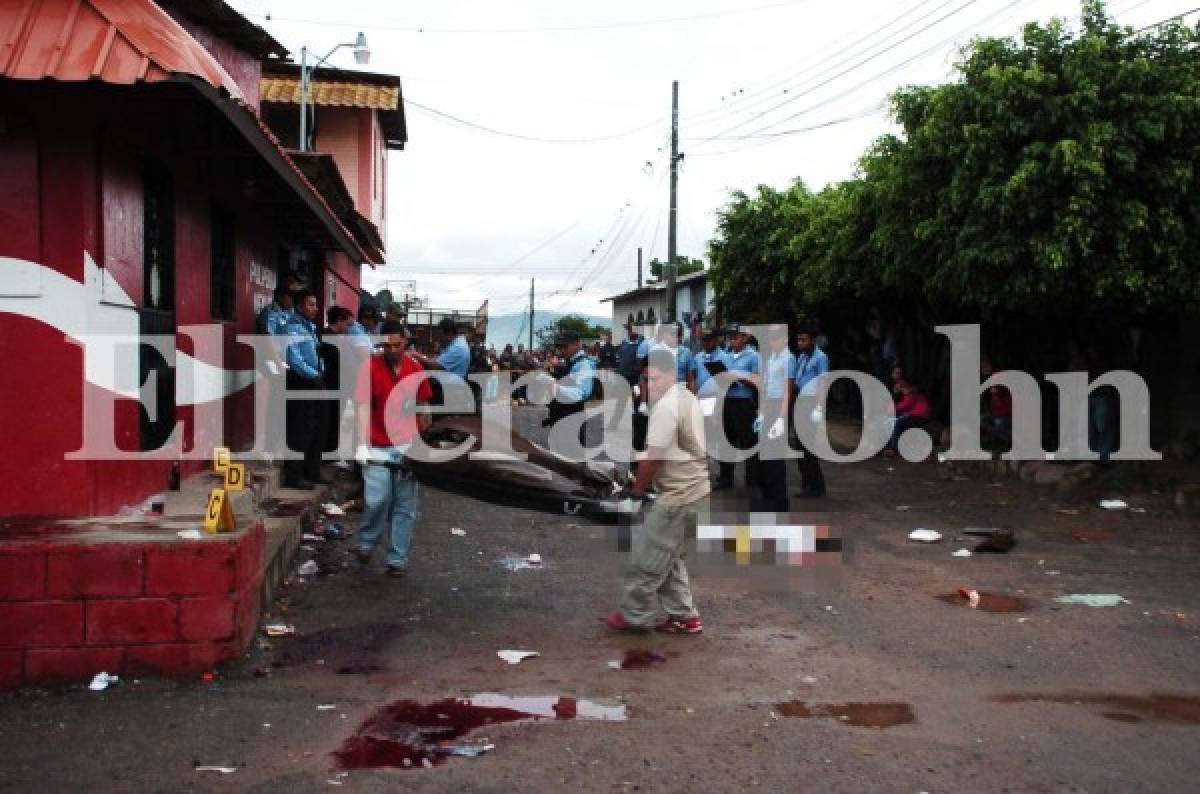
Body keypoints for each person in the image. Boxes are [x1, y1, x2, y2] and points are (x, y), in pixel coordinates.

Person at [606, 349, 709, 634]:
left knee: (646, 558)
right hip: (694, 490)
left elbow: (655, 457)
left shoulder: (666, 407)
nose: (649, 384)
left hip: (679, 495)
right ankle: (684, 616)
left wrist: (636, 493)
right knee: (668, 557)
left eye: (653, 378)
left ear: (667, 375)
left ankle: (633, 614)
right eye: (646, 378)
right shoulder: (686, 397)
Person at [353, 321, 433, 576]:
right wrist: (360, 444)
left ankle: (397, 559)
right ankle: (367, 542)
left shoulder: (415, 369)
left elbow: (423, 407)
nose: (391, 350)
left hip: (408, 443)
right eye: (387, 345)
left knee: (405, 506)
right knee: (377, 500)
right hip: (377, 443)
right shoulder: (370, 367)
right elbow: (362, 407)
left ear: (406, 344)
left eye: (396, 345)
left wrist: (424, 444)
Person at [282, 289, 327, 489]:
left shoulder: (309, 327)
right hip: (300, 380)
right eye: (311, 304)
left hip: (315, 379)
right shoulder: (291, 327)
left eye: (316, 305)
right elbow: (294, 358)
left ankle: (312, 471)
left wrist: (320, 372)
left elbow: (316, 354)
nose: (315, 309)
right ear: (299, 305)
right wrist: (313, 374)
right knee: (300, 429)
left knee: (316, 427)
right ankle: (294, 475)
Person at [715, 325, 760, 490]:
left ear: (745, 338)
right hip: (728, 401)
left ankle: (753, 479)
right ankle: (726, 478)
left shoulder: (753, 356)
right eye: (730, 337)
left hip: (744, 403)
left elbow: (758, 380)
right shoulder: (726, 356)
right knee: (727, 439)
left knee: (749, 440)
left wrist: (740, 378)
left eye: (736, 337)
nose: (732, 340)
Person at [758, 325, 794, 512]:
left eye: (775, 338)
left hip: (780, 407)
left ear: (784, 339)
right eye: (770, 338)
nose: (772, 342)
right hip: (769, 406)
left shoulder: (788, 359)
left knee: (776, 456)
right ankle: (768, 496)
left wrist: (781, 418)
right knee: (765, 454)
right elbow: (765, 387)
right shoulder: (771, 357)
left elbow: (788, 391)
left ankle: (779, 502)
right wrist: (762, 413)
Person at [792, 328, 829, 497]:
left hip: (811, 402)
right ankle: (807, 484)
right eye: (799, 340)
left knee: (808, 446)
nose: (800, 343)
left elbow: (823, 383)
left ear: (812, 341)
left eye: (804, 340)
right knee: (800, 446)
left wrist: (819, 407)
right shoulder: (801, 357)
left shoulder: (820, 358)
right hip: (800, 400)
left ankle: (816, 486)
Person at [545, 330, 597, 449]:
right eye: (559, 347)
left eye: (565, 346)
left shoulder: (583, 365)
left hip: (572, 421)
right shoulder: (571, 362)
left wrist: (555, 387)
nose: (561, 350)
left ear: (577, 344)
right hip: (561, 418)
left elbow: (581, 393)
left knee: (572, 461)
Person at [319, 306, 355, 453]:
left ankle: (329, 451)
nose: (347, 328)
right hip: (332, 384)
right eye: (346, 324)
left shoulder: (330, 336)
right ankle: (329, 453)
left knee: (333, 419)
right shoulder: (329, 337)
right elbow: (340, 362)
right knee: (332, 420)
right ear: (339, 320)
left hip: (336, 384)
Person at [883, 380, 931, 457]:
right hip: (915, 416)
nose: (898, 390)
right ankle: (889, 447)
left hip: (919, 416)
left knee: (898, 422)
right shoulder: (908, 395)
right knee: (893, 422)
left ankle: (893, 449)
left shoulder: (910, 394)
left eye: (899, 388)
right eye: (896, 388)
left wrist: (892, 404)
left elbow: (903, 406)